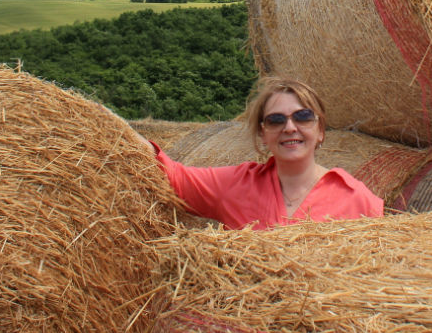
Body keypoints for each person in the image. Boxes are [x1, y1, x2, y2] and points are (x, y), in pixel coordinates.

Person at [145, 76, 383, 230]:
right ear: (263, 133)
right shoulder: (236, 185)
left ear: (320, 129)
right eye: (276, 120)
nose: (290, 128)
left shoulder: (357, 200)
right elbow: (171, 175)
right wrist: (110, 125)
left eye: (303, 117)